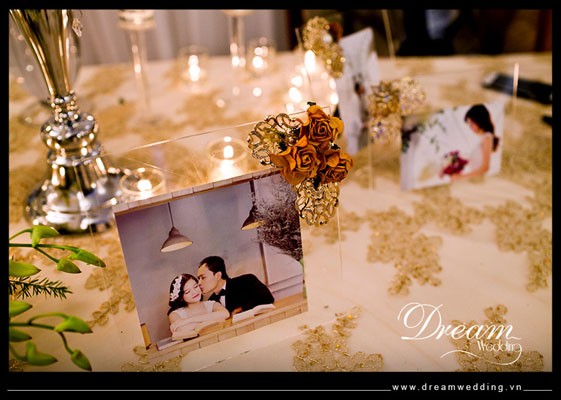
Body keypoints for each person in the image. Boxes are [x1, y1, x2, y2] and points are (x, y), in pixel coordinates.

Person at [197, 256, 275, 316]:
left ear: (218, 275)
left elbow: (267, 298)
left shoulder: (247, 281)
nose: (199, 283)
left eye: (203, 277)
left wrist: (241, 309)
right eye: (198, 278)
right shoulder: (211, 302)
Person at [167, 273, 229, 340]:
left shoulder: (211, 304)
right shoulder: (175, 314)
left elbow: (225, 314)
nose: (194, 292)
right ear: (181, 297)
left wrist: (188, 321)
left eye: (196, 286)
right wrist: (213, 319)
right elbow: (181, 330)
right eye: (187, 292)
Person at [452, 104, 500, 181]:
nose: (470, 127)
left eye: (471, 123)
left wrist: (461, 177)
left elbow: (485, 167)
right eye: (469, 124)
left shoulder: (487, 137)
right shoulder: (482, 138)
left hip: (479, 181)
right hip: (476, 180)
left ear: (479, 120)